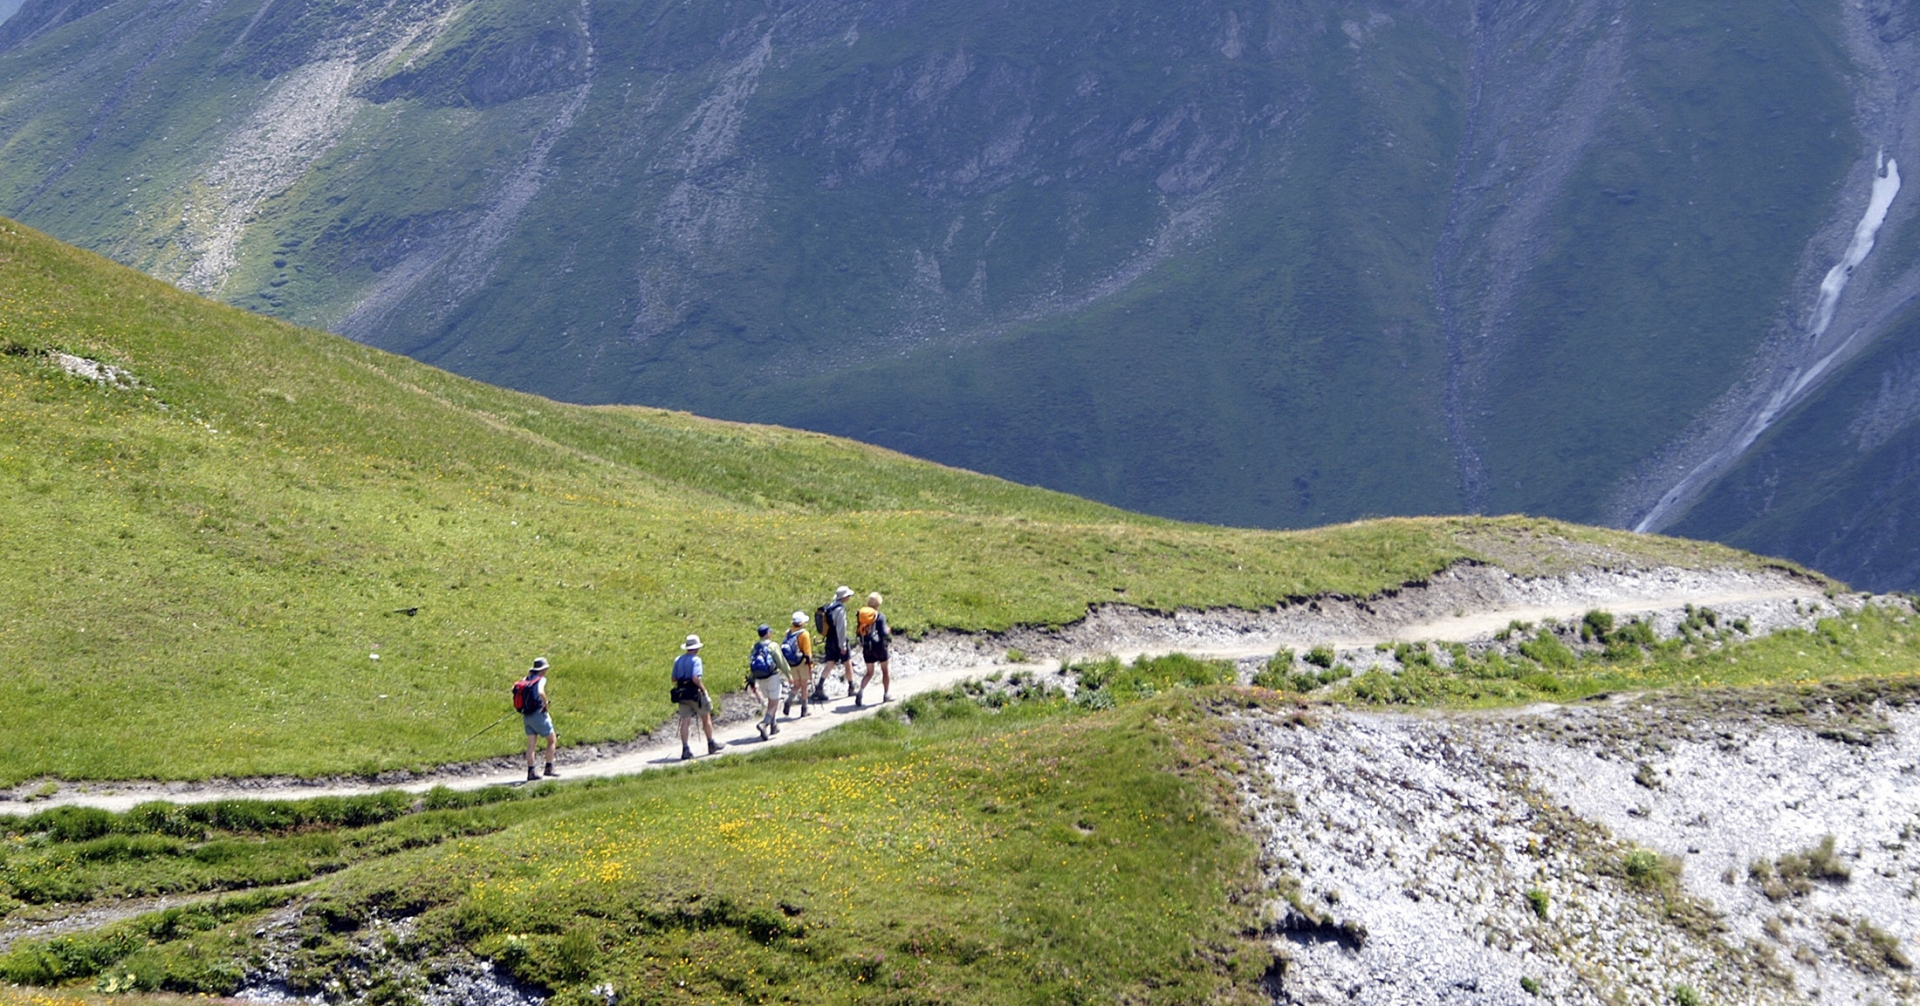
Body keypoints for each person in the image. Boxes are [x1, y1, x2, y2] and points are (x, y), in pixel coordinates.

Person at [673, 634, 721, 760]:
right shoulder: (696, 660)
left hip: (682, 694)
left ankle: (685, 748)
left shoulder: (678, 660)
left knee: (685, 721)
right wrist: (704, 691)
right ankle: (711, 743)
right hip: (695, 693)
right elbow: (695, 677)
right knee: (706, 717)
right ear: (697, 648)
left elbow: (673, 678)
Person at [747, 624, 791, 740]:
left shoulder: (755, 647)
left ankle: (774, 725)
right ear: (767, 634)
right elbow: (781, 661)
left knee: (770, 702)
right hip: (772, 676)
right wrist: (789, 675)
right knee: (774, 703)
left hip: (760, 678)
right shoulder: (773, 645)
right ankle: (764, 724)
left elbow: (752, 663)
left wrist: (752, 680)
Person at [521, 657, 558, 781]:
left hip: (527, 715)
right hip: (538, 714)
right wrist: (545, 704)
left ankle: (531, 772)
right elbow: (541, 692)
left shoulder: (525, 679)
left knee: (531, 745)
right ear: (543, 669)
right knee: (552, 740)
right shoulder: (541, 679)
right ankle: (549, 768)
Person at [853, 592, 893, 704]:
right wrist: (889, 630)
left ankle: (860, 691)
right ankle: (886, 694)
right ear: (878, 604)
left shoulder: (862, 616)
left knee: (869, 673)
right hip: (880, 647)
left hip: (867, 647)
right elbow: (883, 633)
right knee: (885, 671)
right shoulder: (880, 616)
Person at [819, 585, 856, 703]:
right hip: (838, 640)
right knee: (848, 664)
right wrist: (843, 646)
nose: (849, 597)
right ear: (844, 597)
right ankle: (851, 687)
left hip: (829, 640)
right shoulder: (840, 610)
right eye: (848, 596)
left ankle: (819, 687)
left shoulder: (830, 606)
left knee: (830, 664)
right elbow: (841, 628)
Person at [782, 611, 815, 717]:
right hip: (802, 663)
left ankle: (789, 701)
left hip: (791, 663)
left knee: (796, 685)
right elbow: (807, 652)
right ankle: (804, 709)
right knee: (804, 686)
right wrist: (810, 666)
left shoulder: (788, 632)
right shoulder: (804, 634)